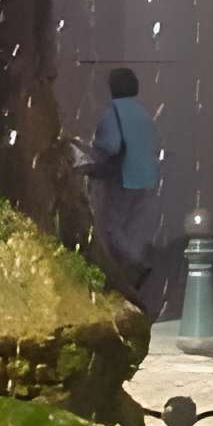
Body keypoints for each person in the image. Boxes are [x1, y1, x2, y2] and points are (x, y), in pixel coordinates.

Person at [91, 66, 160, 285]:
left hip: (123, 176)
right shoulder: (143, 113)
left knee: (112, 227)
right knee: (132, 226)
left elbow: (110, 146)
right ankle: (131, 267)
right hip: (146, 175)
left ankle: (136, 263)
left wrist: (94, 153)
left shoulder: (112, 114)